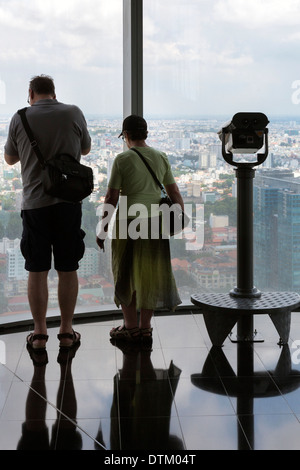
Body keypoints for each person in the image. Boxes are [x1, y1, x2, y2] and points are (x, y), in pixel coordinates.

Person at [4, 75, 91, 352]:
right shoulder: (73, 112)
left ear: (31, 93)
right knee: (68, 267)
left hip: (35, 205)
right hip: (68, 203)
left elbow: (9, 157)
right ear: (54, 93)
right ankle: (66, 331)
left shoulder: (20, 118)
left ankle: (39, 333)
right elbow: (86, 148)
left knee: (37, 269)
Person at [96, 115, 182, 342]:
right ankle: (145, 327)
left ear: (126, 135)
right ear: (146, 133)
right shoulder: (161, 157)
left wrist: (103, 228)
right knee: (150, 275)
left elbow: (111, 197)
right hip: (155, 224)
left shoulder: (122, 160)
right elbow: (175, 193)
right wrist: (179, 219)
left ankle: (130, 326)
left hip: (128, 224)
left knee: (125, 274)